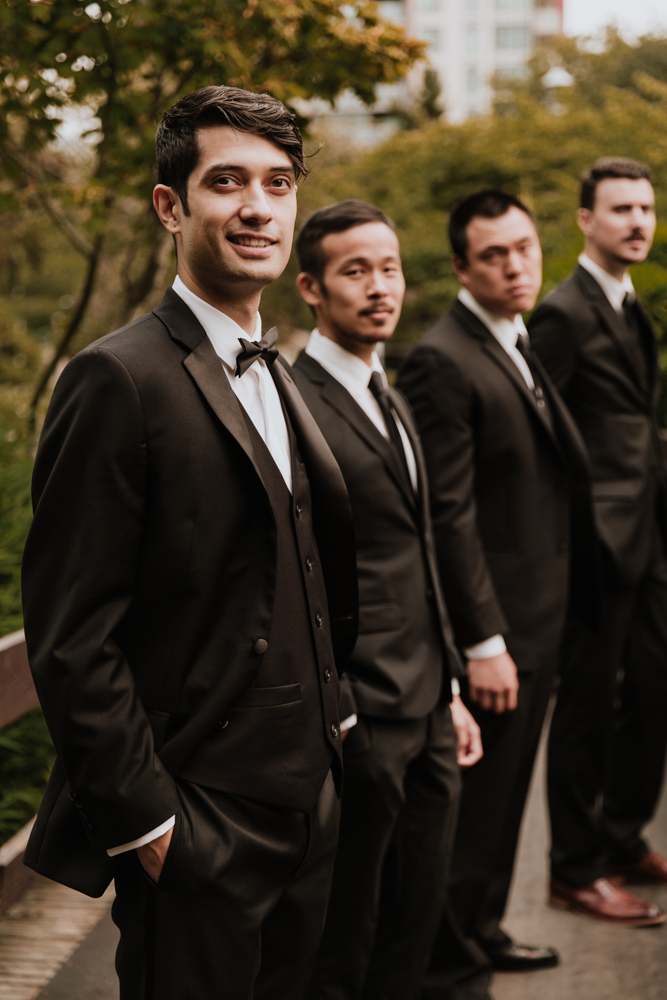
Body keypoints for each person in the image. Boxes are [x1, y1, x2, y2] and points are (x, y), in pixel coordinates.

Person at [21, 85, 360, 1000]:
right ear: (172, 206)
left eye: (279, 183)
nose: (258, 206)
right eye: (227, 181)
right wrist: (149, 826)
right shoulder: (115, 377)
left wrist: (339, 725)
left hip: (311, 805)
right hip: (198, 822)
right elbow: (70, 632)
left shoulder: (276, 367)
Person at [397, 190, 600, 1000]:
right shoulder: (442, 359)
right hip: (497, 636)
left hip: (540, 621)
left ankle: (479, 930)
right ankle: (450, 964)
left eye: (523, 247)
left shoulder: (515, 341)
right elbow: (445, 517)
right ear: (460, 267)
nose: (516, 264)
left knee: (508, 798)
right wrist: (480, 641)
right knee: (473, 808)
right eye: (493, 255)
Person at [291, 200, 482, 1000]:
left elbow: (420, 551)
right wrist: (339, 708)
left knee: (418, 909)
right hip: (360, 713)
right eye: (355, 270)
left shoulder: (390, 391)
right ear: (310, 287)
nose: (379, 287)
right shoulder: (293, 405)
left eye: (390, 267)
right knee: (346, 926)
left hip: (430, 703)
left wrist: (449, 686)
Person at [529, 158, 667, 925]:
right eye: (620, 209)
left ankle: (620, 837)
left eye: (644, 209)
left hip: (647, 537)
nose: (637, 223)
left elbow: (631, 423)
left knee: (652, 690)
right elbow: (542, 439)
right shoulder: (562, 312)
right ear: (585, 219)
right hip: (593, 546)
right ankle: (571, 868)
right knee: (584, 707)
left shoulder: (627, 305)